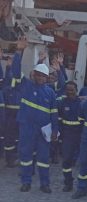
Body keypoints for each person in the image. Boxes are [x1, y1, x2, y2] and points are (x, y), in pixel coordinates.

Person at [11, 38, 58, 193]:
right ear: (34, 75)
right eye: (37, 75)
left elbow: (54, 113)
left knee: (44, 159)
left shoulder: (50, 93)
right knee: (25, 155)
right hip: (27, 127)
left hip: (43, 130)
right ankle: (26, 182)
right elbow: (16, 71)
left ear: (46, 78)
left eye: (42, 76)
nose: (40, 77)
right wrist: (19, 51)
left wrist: (54, 131)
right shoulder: (26, 86)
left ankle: (45, 184)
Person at [57, 81, 83, 191]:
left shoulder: (82, 103)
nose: (69, 92)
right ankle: (68, 182)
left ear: (76, 90)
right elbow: (59, 120)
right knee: (66, 160)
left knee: (84, 161)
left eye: (72, 90)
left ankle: (84, 185)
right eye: (67, 90)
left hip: (80, 135)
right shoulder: (62, 103)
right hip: (67, 136)